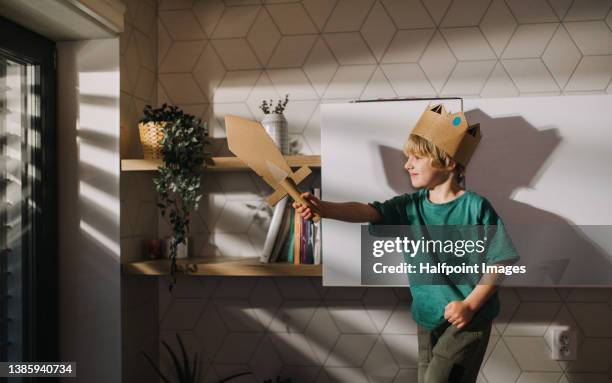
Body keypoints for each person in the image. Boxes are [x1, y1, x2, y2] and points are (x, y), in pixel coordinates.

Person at [293, 104, 519, 383]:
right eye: (407, 157)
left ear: (449, 163)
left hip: (467, 318)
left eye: (416, 157)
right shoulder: (409, 207)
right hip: (427, 317)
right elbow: (367, 210)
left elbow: (502, 259)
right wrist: (325, 208)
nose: (406, 164)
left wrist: (471, 305)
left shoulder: (476, 207)